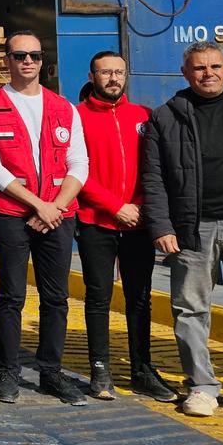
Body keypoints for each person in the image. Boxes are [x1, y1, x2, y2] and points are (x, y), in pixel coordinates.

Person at [140, 41, 223, 422]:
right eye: (199, 68)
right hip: (191, 229)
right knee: (190, 310)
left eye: (214, 66)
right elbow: (153, 178)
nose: (207, 74)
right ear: (185, 73)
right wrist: (162, 226)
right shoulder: (166, 117)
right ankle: (202, 387)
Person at [0, 31, 89, 406]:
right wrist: (38, 205)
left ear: (42, 61)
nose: (28, 61)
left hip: (58, 215)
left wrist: (55, 206)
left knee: (56, 298)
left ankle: (50, 372)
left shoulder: (64, 108)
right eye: (20, 55)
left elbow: (79, 163)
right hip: (13, 214)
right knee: (11, 296)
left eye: (35, 56)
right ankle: (8, 372)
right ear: (6, 59)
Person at [76, 51, 178, 403]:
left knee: (140, 297)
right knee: (98, 297)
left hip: (138, 221)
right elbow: (76, 172)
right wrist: (114, 206)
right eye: (106, 72)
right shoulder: (77, 117)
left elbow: (155, 169)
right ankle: (100, 368)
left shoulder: (144, 116)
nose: (113, 78)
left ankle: (142, 369)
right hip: (97, 221)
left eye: (119, 72)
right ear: (92, 76)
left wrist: (139, 206)